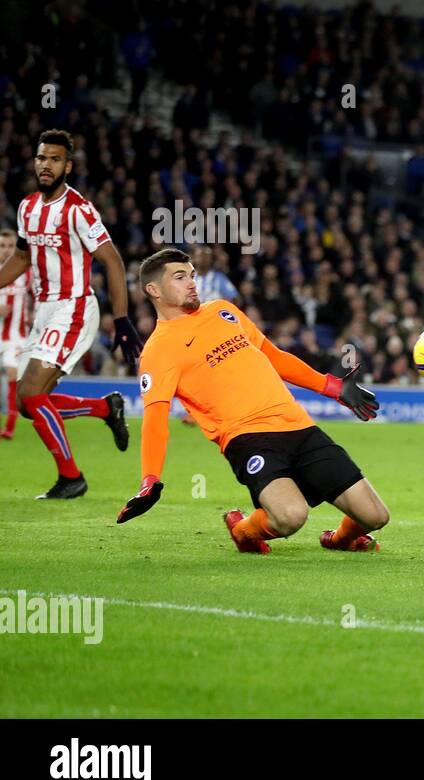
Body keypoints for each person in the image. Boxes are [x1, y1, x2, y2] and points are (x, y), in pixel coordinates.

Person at [115, 249, 390, 556]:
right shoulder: (157, 351)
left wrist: (332, 386)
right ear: (153, 290)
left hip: (297, 426)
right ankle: (243, 531)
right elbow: (155, 419)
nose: (192, 283)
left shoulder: (222, 311)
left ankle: (341, 539)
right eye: (180, 277)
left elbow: (275, 358)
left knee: (377, 517)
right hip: (248, 438)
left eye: (192, 275)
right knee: (290, 516)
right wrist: (150, 477)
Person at [0, 130, 138, 498]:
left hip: (74, 307)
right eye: (42, 158)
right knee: (26, 403)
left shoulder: (78, 209)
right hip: (44, 311)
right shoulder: (27, 207)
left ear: (68, 166)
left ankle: (71, 478)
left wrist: (122, 319)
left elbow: (112, 260)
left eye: (55, 159)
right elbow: (22, 257)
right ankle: (104, 408)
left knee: (30, 393)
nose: (46, 165)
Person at [0, 229, 31, 439]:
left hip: (16, 336)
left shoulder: (25, 273)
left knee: (12, 374)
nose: (6, 250)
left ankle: (10, 425)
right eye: (2, 246)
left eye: (11, 246)